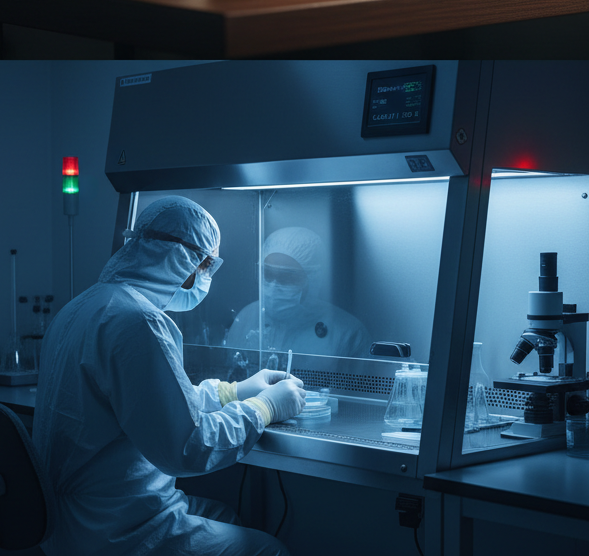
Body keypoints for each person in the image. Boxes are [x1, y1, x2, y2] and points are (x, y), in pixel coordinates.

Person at [33, 195, 306, 556]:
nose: (205, 277)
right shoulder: (138, 321)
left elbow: (151, 403)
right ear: (185, 260)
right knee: (269, 551)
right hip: (117, 531)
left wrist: (233, 391)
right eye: (206, 265)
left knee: (223, 514)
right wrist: (264, 407)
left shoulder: (85, 305)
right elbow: (187, 447)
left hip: (72, 520)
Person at [225, 227, 373, 359]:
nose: (274, 286)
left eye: (286, 277)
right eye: (268, 274)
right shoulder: (247, 317)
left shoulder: (347, 334)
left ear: (313, 278)